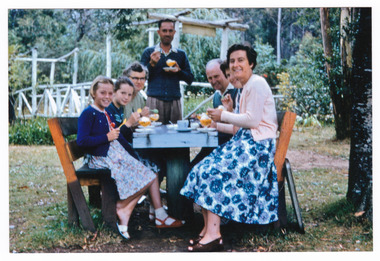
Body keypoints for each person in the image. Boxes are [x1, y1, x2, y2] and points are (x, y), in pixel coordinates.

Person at [180, 44, 279, 252]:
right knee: (201, 167)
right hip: (245, 141)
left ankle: (214, 235)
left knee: (213, 172)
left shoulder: (257, 84)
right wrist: (216, 124)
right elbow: (238, 127)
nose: (235, 65)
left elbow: (252, 122)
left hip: (258, 148)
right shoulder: (244, 88)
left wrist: (222, 115)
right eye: (232, 61)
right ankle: (208, 230)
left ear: (251, 63)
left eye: (240, 60)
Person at [77, 76, 183, 240]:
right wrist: (106, 137)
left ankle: (124, 209)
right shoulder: (88, 113)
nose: (106, 96)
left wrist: (133, 155)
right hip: (99, 158)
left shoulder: (106, 113)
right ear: (93, 93)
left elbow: (118, 138)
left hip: (113, 154)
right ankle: (123, 209)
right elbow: (82, 142)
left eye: (109, 93)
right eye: (102, 93)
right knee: (148, 176)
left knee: (148, 172)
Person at [140, 19, 194, 124]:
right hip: (153, 100)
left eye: (170, 31)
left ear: (174, 32)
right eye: (164, 31)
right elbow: (140, 77)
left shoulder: (180, 54)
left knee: (174, 135)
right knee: (152, 133)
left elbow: (190, 79)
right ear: (158, 32)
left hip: (174, 101)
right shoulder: (149, 52)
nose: (167, 34)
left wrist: (179, 71)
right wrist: (151, 64)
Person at [189, 59, 238, 169]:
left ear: (225, 73)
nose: (213, 81)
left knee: (195, 168)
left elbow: (241, 126)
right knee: (190, 166)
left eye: (216, 76)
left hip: (229, 146)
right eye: (210, 78)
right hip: (214, 143)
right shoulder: (217, 95)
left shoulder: (237, 92)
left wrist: (228, 113)